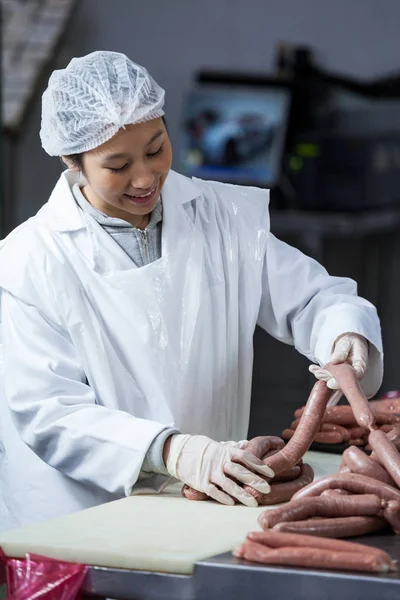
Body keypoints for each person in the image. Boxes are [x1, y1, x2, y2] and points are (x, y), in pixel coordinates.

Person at [0, 51, 383, 532]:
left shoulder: (223, 218)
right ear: (70, 160)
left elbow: (314, 297)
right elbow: (48, 413)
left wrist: (344, 333)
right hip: (77, 524)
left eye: (156, 149)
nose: (144, 179)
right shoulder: (28, 261)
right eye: (117, 165)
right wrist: (171, 449)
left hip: (206, 507)